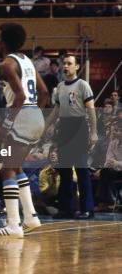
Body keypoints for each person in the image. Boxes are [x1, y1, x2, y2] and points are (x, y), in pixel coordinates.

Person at [0, 23, 48, 238]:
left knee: (7, 169)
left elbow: (20, 97)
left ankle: (13, 225)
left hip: (22, 116)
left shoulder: (7, 64)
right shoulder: (27, 61)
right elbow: (44, 93)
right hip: (35, 116)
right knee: (17, 166)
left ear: (3, 42)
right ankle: (31, 217)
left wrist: (7, 125)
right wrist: (34, 115)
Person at [45, 54, 97, 219]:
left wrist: (94, 132)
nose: (66, 66)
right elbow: (56, 110)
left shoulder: (83, 85)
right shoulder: (59, 87)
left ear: (77, 67)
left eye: (69, 63)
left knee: (81, 170)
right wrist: (46, 126)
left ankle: (87, 209)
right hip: (64, 129)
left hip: (79, 127)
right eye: (64, 63)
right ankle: (66, 208)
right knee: (65, 171)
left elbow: (91, 110)